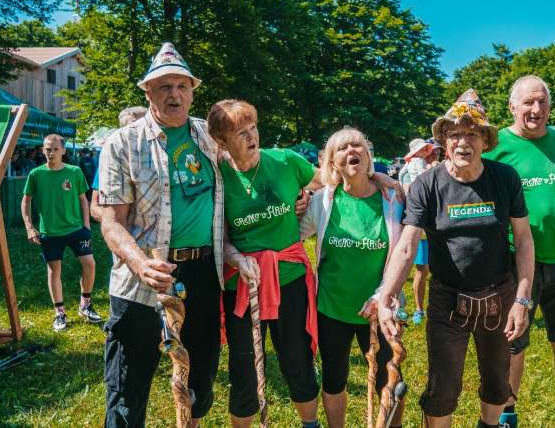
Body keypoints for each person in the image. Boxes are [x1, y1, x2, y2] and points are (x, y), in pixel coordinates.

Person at [377, 89, 535, 428]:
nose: (463, 142)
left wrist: (522, 298)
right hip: (448, 299)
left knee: (497, 382)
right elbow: (406, 245)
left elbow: (523, 240)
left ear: (486, 140)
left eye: (472, 133)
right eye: (454, 134)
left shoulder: (504, 178)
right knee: (443, 386)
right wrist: (386, 295)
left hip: (500, 295)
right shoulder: (427, 184)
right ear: (443, 141)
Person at [98, 43, 225, 426]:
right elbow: (110, 220)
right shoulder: (122, 144)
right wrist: (140, 264)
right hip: (144, 279)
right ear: (148, 92)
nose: (175, 95)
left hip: (204, 273)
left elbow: (257, 167)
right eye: (164, 87)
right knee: (127, 383)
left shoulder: (211, 136)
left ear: (192, 91)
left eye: (182, 86)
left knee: (199, 375)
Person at [483, 75, 555, 428]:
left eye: (542, 102)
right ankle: (505, 415)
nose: (536, 110)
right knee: (512, 344)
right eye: (528, 103)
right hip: (513, 264)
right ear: (512, 106)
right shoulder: (495, 145)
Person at [208, 99, 325, 428]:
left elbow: (326, 182)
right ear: (221, 141)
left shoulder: (286, 161)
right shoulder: (218, 178)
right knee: (244, 367)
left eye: (253, 128)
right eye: (239, 132)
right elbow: (219, 234)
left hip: (289, 277)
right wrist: (237, 258)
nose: (250, 136)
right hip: (242, 283)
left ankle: (310, 424)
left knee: (297, 357)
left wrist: (309, 197)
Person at [300, 127, 406, 428]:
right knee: (334, 378)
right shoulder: (322, 201)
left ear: (369, 155)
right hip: (332, 308)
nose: (351, 151)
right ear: (331, 162)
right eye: (343, 148)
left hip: (381, 310)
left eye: (358, 145)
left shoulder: (392, 199)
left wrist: (382, 295)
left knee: (390, 378)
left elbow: (406, 250)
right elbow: (292, 235)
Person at [21, 134, 101, 331]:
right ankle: (60, 313)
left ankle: (85, 304)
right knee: (54, 270)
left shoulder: (74, 172)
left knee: (89, 264)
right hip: (50, 232)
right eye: (48, 149)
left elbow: (83, 198)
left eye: (55, 149)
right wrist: (30, 227)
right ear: (42, 150)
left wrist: (86, 224)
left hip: (76, 229)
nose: (51, 152)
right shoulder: (36, 174)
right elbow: (26, 201)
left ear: (63, 151)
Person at [89, 106, 148, 222]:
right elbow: (94, 208)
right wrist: (116, 221)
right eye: (134, 126)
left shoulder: (164, 155)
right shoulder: (110, 162)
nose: (142, 129)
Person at [399, 138, 435, 325]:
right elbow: (409, 195)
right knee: (419, 270)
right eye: (420, 151)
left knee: (434, 270)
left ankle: (439, 308)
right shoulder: (408, 171)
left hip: (435, 228)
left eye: (425, 150)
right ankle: (418, 309)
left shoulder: (432, 167)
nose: (424, 153)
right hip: (418, 230)